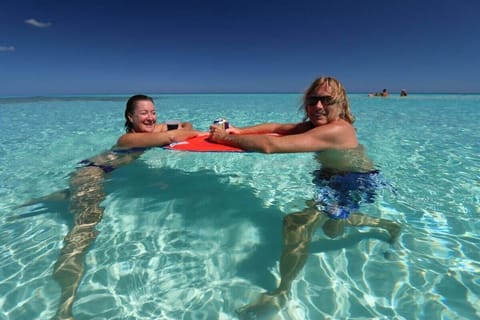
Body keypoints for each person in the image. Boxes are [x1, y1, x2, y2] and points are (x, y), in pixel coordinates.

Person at [209, 76, 401, 319]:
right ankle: (386, 225)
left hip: (352, 183)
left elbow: (271, 145)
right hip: (331, 178)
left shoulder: (338, 129)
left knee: (296, 223)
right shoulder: (315, 126)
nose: (318, 106)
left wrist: (224, 138)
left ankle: (282, 291)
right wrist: (239, 131)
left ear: (341, 104)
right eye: (313, 100)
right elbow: (276, 128)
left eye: (326, 100)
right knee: (333, 229)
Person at [49, 94, 201, 320]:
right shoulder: (128, 140)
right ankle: (64, 307)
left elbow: (186, 126)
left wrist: (168, 127)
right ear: (130, 117)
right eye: (143, 113)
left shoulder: (148, 132)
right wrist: (172, 130)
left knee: (71, 204)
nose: (150, 117)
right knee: (82, 235)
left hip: (101, 173)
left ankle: (41, 201)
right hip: (91, 177)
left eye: (153, 112)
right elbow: (183, 133)